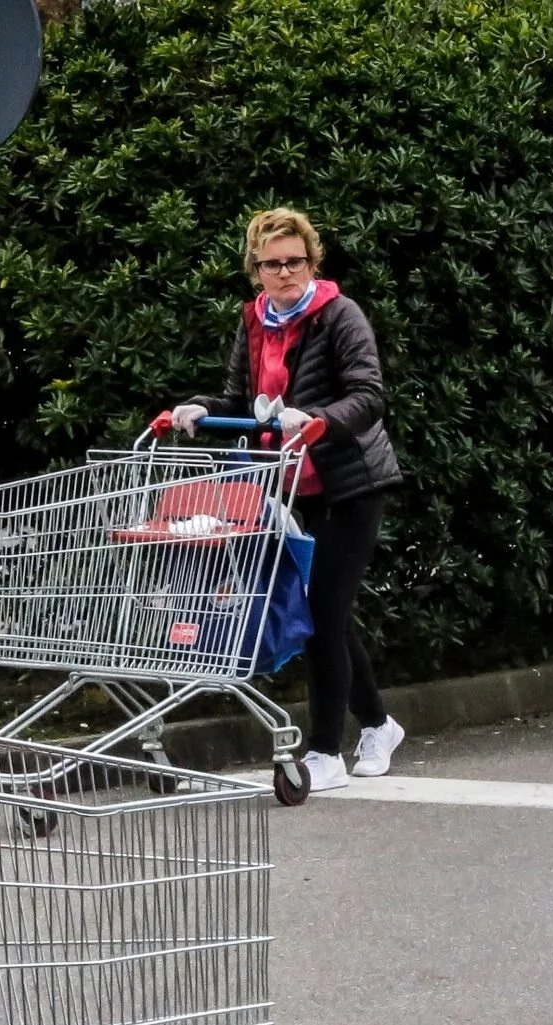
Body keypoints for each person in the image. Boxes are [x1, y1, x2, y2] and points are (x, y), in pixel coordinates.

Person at [172, 207, 405, 792]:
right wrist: (202, 407)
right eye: (272, 264)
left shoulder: (338, 315)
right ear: (256, 270)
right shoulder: (254, 321)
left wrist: (319, 419)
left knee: (324, 613)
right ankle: (378, 724)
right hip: (291, 483)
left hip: (352, 482)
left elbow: (369, 395)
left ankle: (326, 752)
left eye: (294, 261)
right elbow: (239, 397)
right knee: (331, 610)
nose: (284, 273)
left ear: (311, 261)